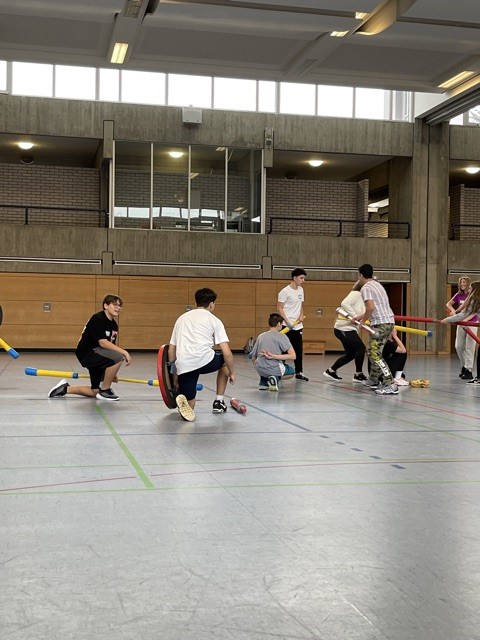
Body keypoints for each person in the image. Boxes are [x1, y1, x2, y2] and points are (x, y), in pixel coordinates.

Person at [168, 287, 236, 422]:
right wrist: (232, 372)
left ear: (196, 303)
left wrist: (174, 374)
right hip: (206, 361)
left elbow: (171, 350)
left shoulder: (181, 319)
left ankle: (188, 402)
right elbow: (227, 353)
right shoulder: (214, 320)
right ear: (211, 304)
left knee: (190, 404)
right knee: (224, 361)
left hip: (185, 365)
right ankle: (219, 401)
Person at [48, 294, 131, 401]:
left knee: (95, 391)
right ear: (105, 305)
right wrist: (125, 352)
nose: (118, 308)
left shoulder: (114, 325)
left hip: (100, 355)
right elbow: (103, 343)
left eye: (120, 306)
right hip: (88, 353)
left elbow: (111, 346)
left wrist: (112, 372)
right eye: (115, 305)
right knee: (119, 357)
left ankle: (64, 389)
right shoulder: (98, 318)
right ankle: (105, 390)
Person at [356, 264, 398, 395]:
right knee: (373, 350)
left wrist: (362, 322)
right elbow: (379, 307)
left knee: (374, 353)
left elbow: (370, 307)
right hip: (388, 322)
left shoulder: (366, 288)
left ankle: (390, 383)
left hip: (380, 324)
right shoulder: (378, 285)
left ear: (361, 275)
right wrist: (360, 317)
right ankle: (374, 379)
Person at [323, 281, 367, 382]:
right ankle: (358, 374)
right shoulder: (356, 293)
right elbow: (344, 303)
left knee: (351, 354)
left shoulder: (365, 299)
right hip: (343, 328)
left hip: (350, 328)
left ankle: (331, 371)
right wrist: (353, 316)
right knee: (361, 348)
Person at [442, 281, 480, 385]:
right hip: (465, 323)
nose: (470, 290)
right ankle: (477, 376)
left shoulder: (475, 301)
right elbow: (463, 314)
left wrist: (448, 320)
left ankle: (474, 374)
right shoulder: (475, 301)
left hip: (472, 324)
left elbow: (463, 315)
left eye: (471, 289)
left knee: (473, 349)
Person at [250, 313, 296, 391]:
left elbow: (253, 356)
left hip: (260, 368)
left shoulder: (261, 336)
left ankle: (263, 381)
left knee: (263, 365)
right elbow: (293, 356)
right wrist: (275, 356)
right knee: (292, 372)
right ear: (279, 324)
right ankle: (275, 378)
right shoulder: (282, 337)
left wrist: (258, 366)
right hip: (274, 367)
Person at [277, 267, 308, 381]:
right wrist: (288, 322)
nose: (303, 280)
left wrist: (301, 315)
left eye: (304, 278)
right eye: (301, 278)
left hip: (297, 326)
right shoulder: (284, 291)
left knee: (298, 350)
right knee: (284, 349)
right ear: (294, 278)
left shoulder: (301, 290)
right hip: (286, 325)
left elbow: (301, 305)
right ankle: (279, 371)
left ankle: (299, 372)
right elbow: (279, 308)